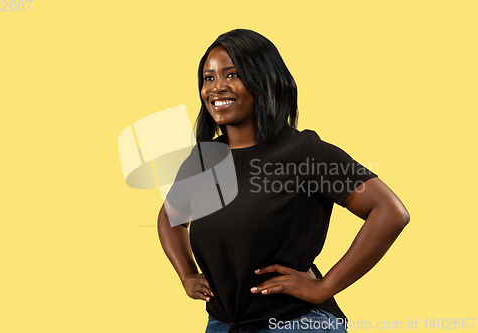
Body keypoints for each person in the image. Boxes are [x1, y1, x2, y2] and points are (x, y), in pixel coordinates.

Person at [157, 29, 410, 333]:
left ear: (263, 79)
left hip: (294, 324)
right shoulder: (205, 160)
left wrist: (324, 286)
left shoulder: (304, 152)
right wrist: (187, 275)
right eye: (208, 78)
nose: (217, 88)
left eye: (232, 74)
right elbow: (170, 219)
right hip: (224, 325)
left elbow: (390, 211)